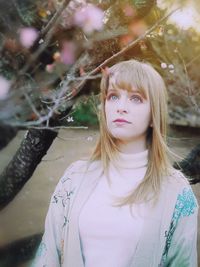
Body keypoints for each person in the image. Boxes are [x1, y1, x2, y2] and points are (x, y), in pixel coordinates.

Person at [31, 59, 198, 267]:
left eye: (136, 99)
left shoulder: (177, 193)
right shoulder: (74, 177)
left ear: (154, 114)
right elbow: (47, 256)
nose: (121, 107)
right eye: (113, 96)